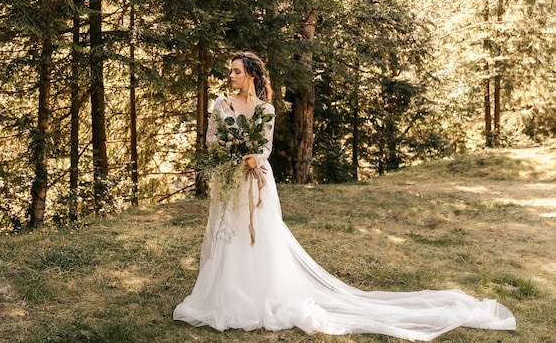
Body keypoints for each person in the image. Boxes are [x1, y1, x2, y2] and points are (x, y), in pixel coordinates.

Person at [173, 51, 516, 341]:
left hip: (257, 181)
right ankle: (227, 296)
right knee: (228, 234)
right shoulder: (221, 104)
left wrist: (254, 157)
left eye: (236, 71)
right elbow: (211, 141)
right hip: (231, 180)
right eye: (230, 71)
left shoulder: (266, 110)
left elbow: (265, 146)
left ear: (250, 75)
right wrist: (231, 155)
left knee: (259, 239)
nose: (230, 76)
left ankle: (257, 296)